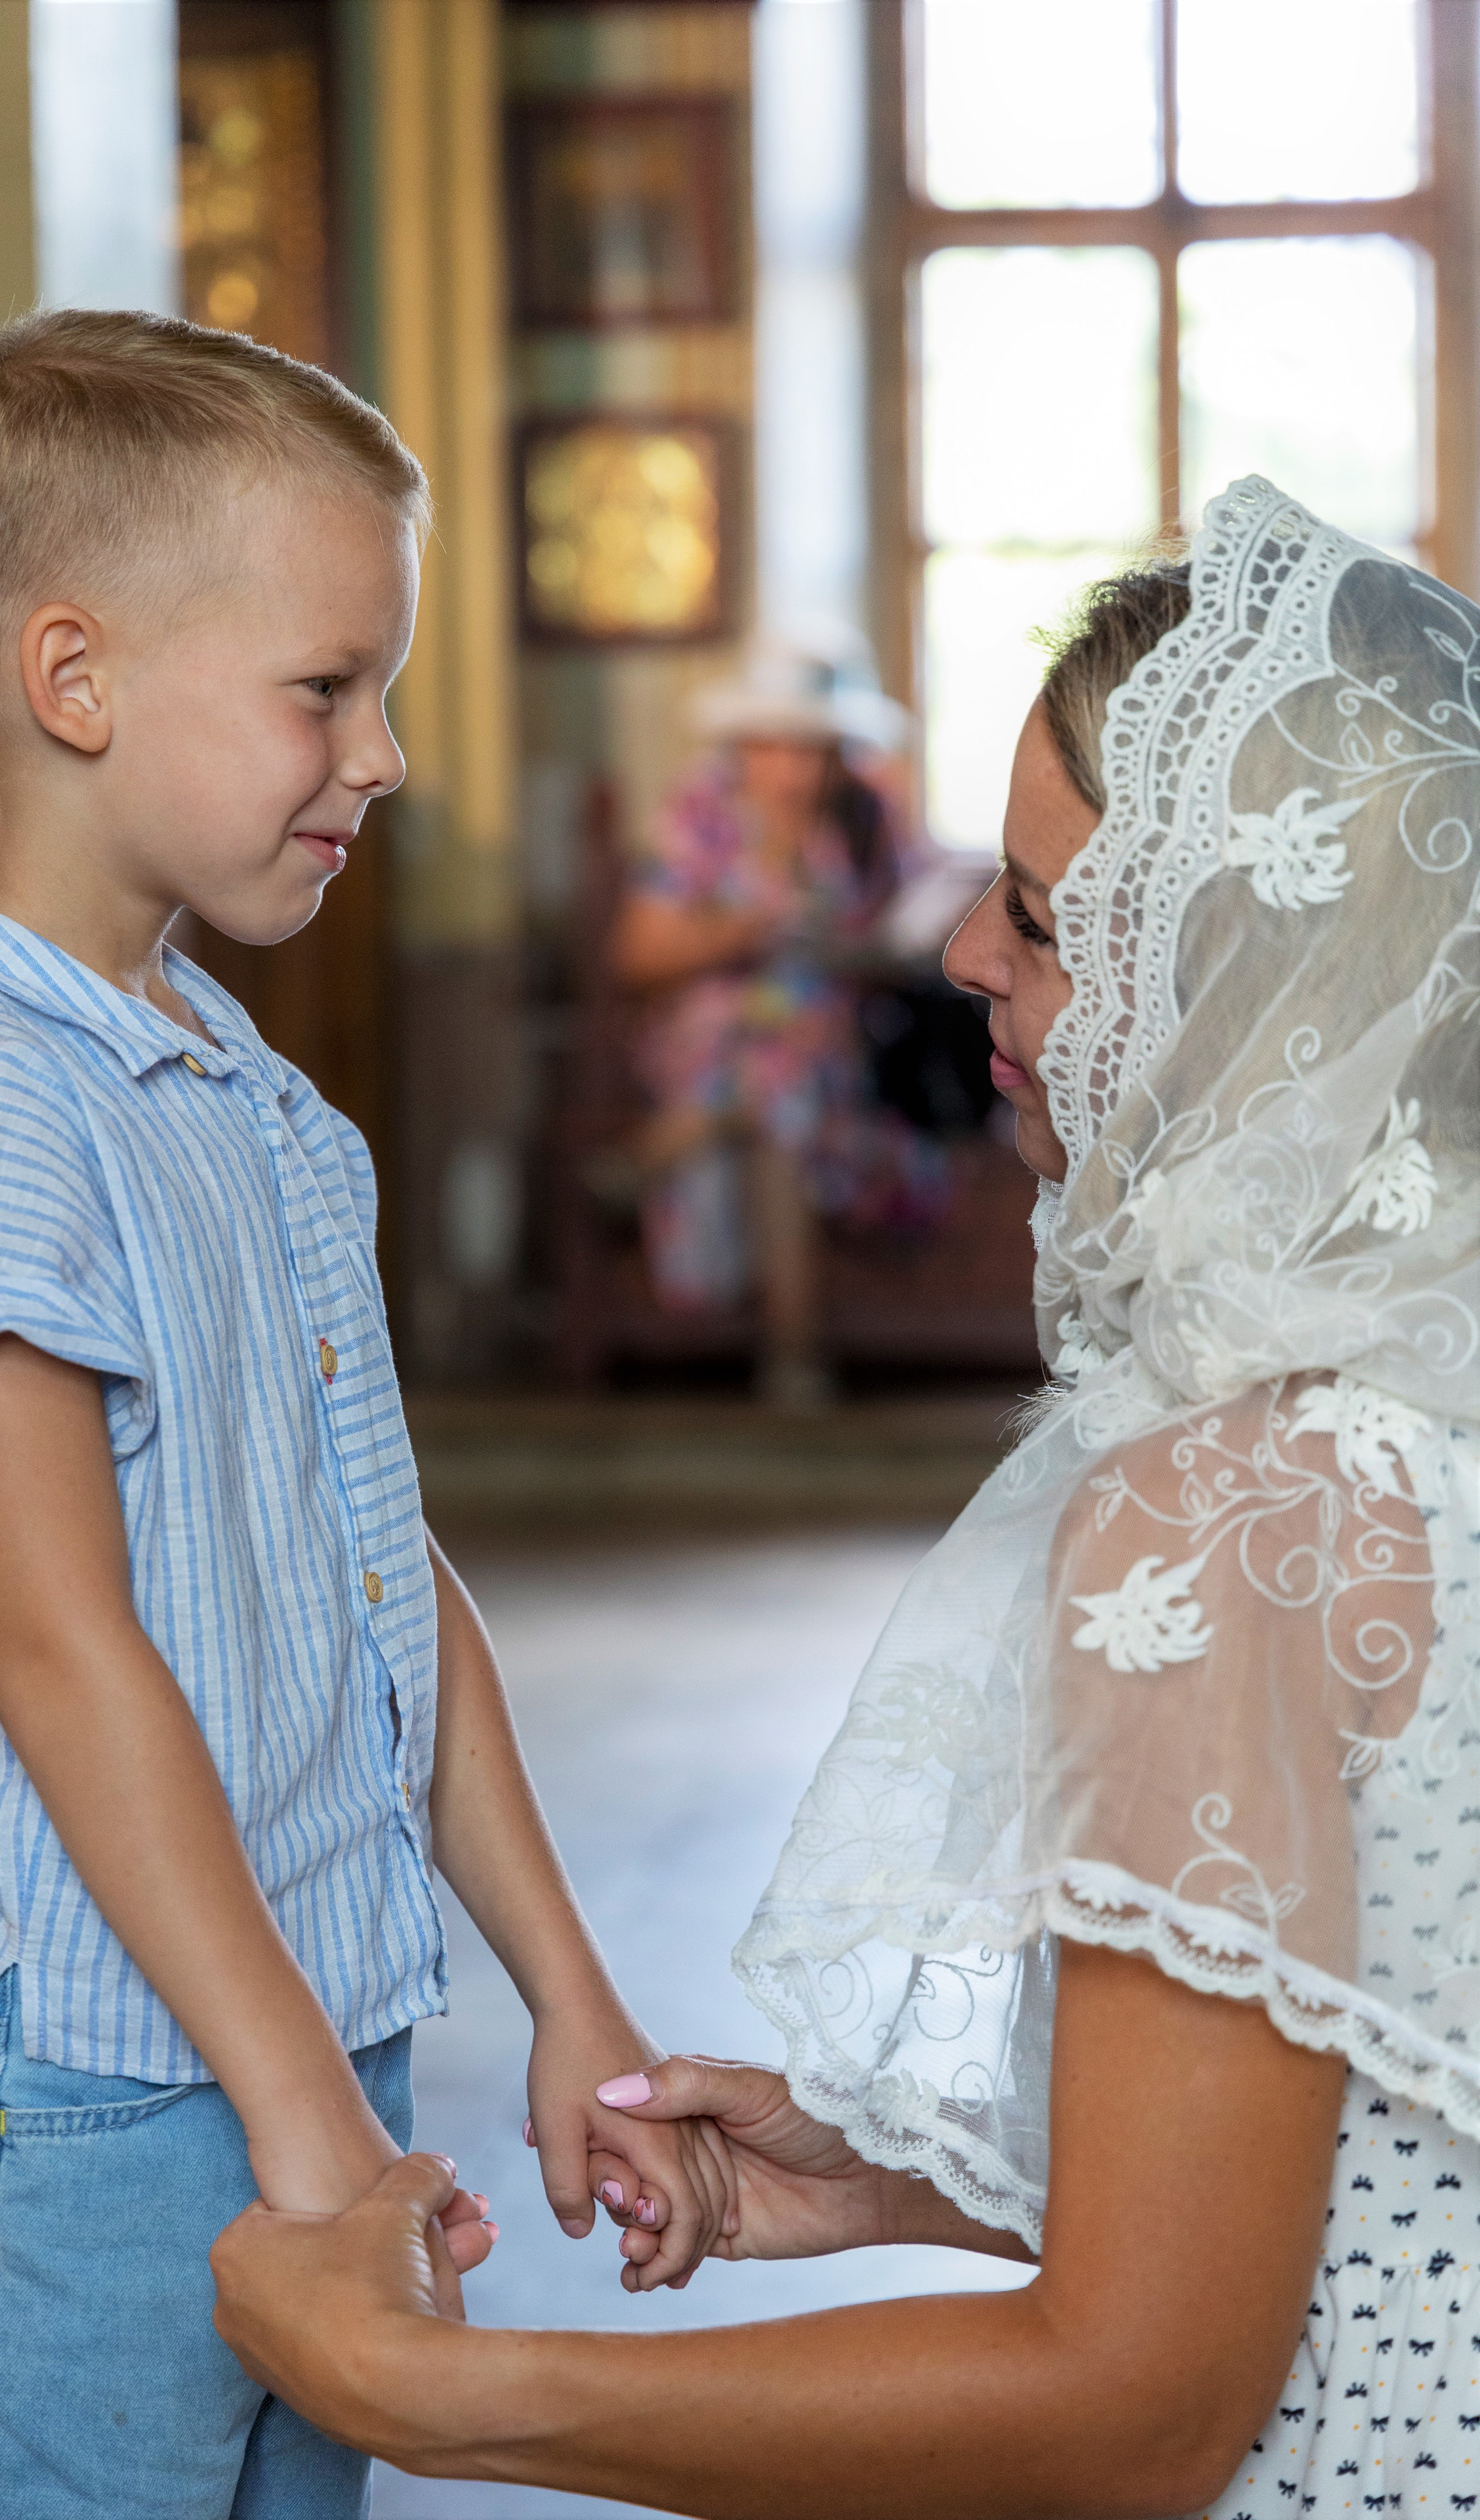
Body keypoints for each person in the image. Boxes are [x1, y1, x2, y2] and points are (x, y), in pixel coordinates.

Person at [209, 478, 1480, 2518]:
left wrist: (431, 2391)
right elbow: (1402, 2151)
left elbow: (1137, 2411)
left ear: (1252, 993)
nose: (969, 947)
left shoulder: (1239, 1508)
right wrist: (918, 2173)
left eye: (1048, 921)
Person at [0, 309, 729, 2520]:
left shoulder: (253, 1106)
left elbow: (384, 1580)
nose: (386, 753)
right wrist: (301, 2116)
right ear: (75, 681)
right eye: (327, 689)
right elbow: (64, 1654)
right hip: (94, 2093)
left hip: (303, 2043)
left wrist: (572, 1998)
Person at [609, 644, 947, 1409]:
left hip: (838, 1050)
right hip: (712, 1043)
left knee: (782, 1084)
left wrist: (857, 949)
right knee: (776, 1085)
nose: (795, 769)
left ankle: (650, 1158)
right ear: (744, 746)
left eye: (814, 749)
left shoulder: (869, 812)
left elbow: (916, 927)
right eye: (776, 745)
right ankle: (795, 1355)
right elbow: (640, 952)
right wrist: (750, 930)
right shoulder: (701, 809)